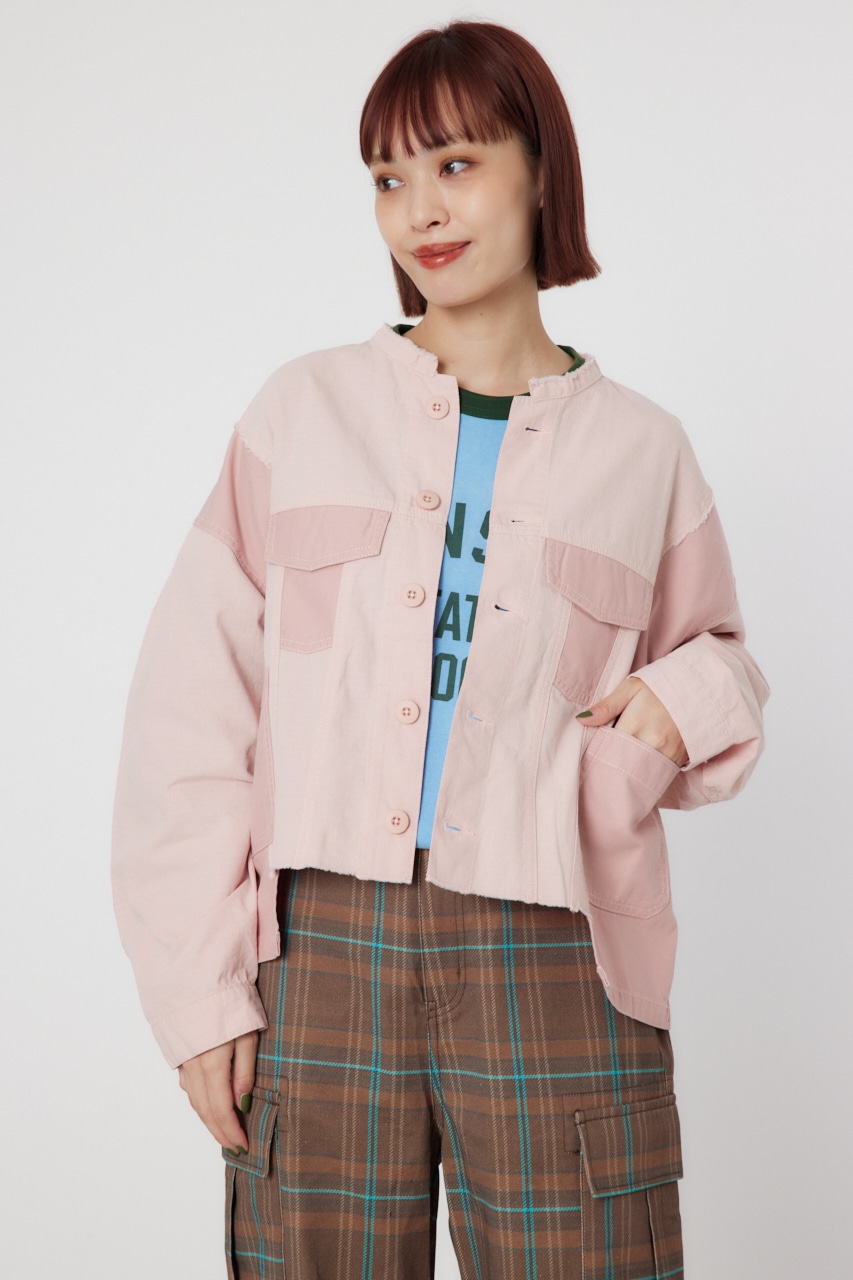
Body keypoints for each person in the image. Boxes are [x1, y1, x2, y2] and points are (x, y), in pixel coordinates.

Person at [112, 20, 768, 1279]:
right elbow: (188, 713)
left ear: (540, 169)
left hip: (558, 943)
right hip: (318, 948)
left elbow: (725, 658)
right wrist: (197, 994)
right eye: (387, 177)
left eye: (456, 164)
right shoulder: (301, 412)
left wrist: (683, 692)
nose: (419, 210)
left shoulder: (643, 450)